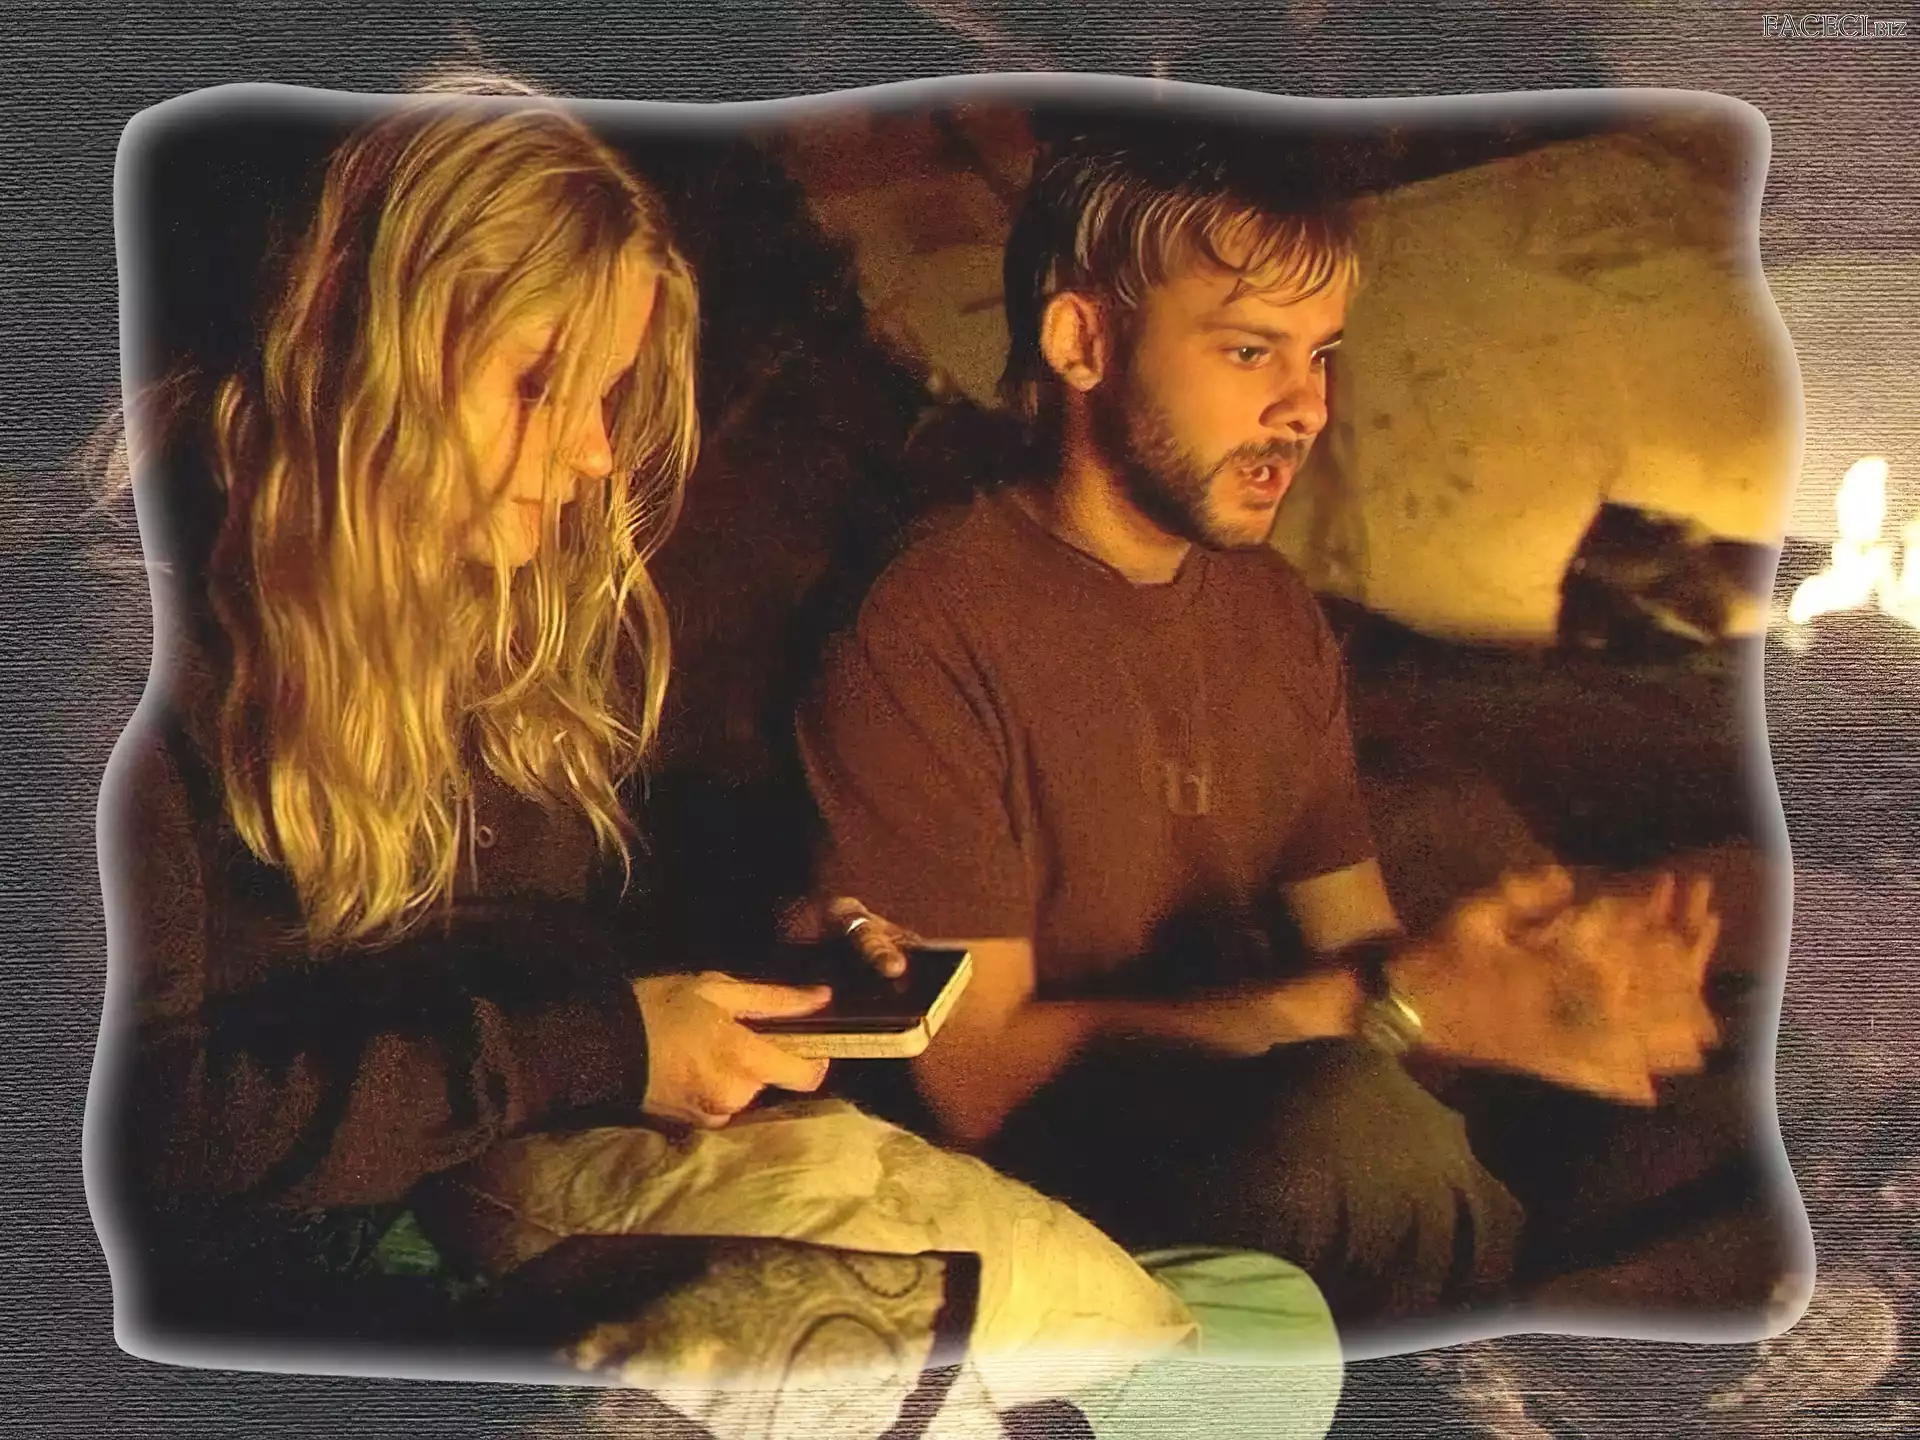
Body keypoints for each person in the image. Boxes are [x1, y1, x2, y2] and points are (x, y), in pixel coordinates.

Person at [798, 129, 1723, 1334]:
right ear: (1083, 342)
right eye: (1250, 351)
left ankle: (1614, 1336)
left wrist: (1537, 989)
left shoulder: (1267, 612)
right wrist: (1402, 1002)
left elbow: (1363, 956)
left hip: (1292, 1111)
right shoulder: (922, 628)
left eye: (1320, 354)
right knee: (1358, 1133)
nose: (1307, 408)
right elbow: (977, 1082)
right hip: (1076, 1184)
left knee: (1726, 1090)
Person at [89, 96, 914, 1346]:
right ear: (364, 348)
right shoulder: (104, 657)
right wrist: (599, 1051)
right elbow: (141, 1135)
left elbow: (485, 955)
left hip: (459, 1225)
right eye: (540, 385)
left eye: (608, 394)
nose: (594, 453)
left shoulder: (468, 611)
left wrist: (765, 946)